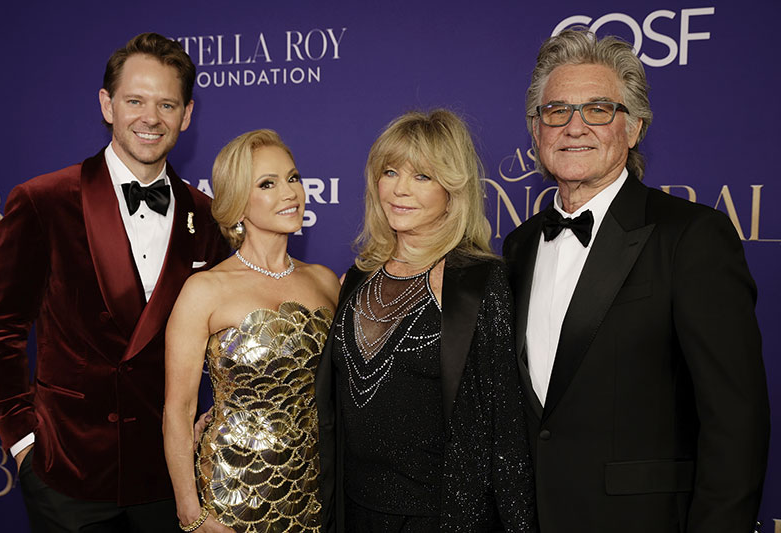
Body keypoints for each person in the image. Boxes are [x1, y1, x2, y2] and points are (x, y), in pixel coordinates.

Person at [502, 28, 770, 533]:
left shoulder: (691, 237)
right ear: (536, 130)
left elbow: (737, 424)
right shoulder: (518, 248)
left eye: (599, 109)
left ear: (635, 127)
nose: (574, 126)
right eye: (557, 110)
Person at [0, 33, 228, 531]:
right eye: (135, 100)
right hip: (66, 473)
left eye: (166, 104)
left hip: (167, 477)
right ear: (107, 105)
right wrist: (23, 443)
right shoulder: (43, 201)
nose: (150, 117)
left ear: (186, 114)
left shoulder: (206, 216)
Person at [316, 109, 536, 533]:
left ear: (452, 190)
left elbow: (505, 429)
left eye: (422, 177)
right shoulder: (358, 277)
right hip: (354, 510)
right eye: (391, 171)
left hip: (438, 517)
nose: (399, 190)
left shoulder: (476, 282)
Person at [163, 129, 340, 532]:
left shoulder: (326, 282)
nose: (290, 192)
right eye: (267, 183)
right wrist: (190, 511)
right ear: (237, 204)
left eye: (293, 178)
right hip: (232, 492)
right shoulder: (205, 290)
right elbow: (178, 411)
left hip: (316, 489)